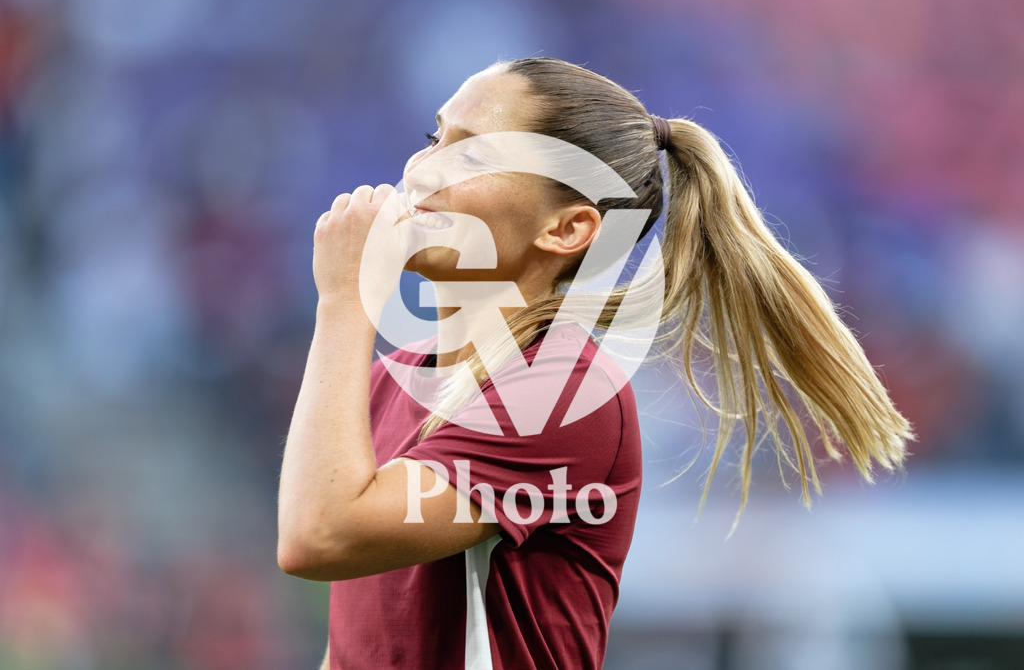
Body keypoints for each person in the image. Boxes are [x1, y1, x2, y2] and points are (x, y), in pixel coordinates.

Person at [277, 57, 912, 669]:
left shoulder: (561, 394)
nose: (420, 167)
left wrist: (344, 300)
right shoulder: (388, 380)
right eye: (432, 136)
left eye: (469, 153)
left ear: (566, 229)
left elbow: (321, 535)